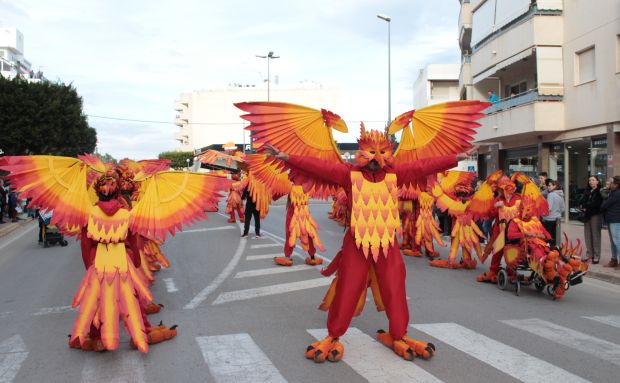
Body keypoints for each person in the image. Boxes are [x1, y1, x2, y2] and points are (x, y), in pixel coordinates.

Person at [580, 175, 603, 263]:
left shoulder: (599, 191)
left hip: (595, 215)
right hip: (587, 215)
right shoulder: (587, 191)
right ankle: (589, 254)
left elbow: (597, 204)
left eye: (593, 180)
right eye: (590, 180)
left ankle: (596, 256)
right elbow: (582, 201)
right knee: (587, 236)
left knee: (595, 235)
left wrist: (586, 205)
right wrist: (584, 205)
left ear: (597, 181)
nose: (591, 182)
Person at [600, 176, 620, 268]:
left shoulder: (617, 193)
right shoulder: (613, 192)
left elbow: (606, 204)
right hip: (611, 219)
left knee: (617, 241)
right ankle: (614, 259)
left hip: (615, 219)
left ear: (616, 184)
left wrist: (602, 206)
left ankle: (616, 260)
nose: (609, 184)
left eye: (611, 182)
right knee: (613, 241)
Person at [542, 179, 564, 248]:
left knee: (548, 238)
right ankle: (555, 251)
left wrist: (542, 214)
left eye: (549, 185)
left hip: (549, 219)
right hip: (557, 219)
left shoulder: (551, 195)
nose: (548, 187)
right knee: (555, 238)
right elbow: (563, 209)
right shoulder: (560, 194)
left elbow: (548, 209)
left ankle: (549, 253)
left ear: (555, 186)